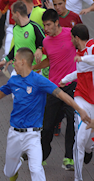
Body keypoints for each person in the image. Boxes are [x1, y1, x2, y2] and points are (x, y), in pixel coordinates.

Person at [0, 47, 91, 181]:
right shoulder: (14, 80)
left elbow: (62, 95)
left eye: (15, 60)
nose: (13, 63)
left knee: (36, 170)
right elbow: (1, 93)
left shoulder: (39, 80)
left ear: (23, 62)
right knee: (9, 172)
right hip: (14, 134)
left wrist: (80, 109)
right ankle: (15, 168)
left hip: (33, 135)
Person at [32, 9, 77, 170]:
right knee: (48, 124)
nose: (46, 28)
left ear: (57, 22)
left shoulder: (70, 34)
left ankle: (69, 158)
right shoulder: (46, 42)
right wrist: (33, 67)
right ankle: (42, 155)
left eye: (48, 25)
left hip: (71, 86)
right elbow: (49, 60)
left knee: (72, 122)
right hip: (54, 88)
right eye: (44, 25)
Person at [59, 24, 94, 181]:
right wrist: (66, 79)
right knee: (79, 141)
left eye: (71, 38)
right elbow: (80, 72)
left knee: (87, 144)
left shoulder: (92, 47)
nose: (71, 41)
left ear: (76, 38)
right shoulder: (78, 54)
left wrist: (83, 58)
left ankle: (90, 148)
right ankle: (78, 179)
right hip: (81, 99)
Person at [0, 1, 45, 75]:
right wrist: (5, 60)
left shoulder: (34, 27)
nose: (12, 17)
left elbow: (45, 42)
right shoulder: (15, 28)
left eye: (13, 14)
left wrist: (40, 48)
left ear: (17, 14)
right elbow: (16, 46)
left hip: (33, 71)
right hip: (18, 70)